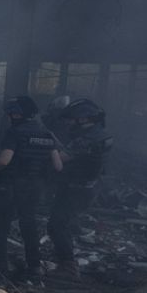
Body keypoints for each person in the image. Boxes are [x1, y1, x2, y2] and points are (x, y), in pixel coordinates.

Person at [0, 96, 63, 278]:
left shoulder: (15, 133)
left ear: (16, 114)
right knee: (29, 223)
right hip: (35, 187)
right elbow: (58, 166)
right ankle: (34, 266)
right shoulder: (47, 134)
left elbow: (4, 160)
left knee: (0, 225)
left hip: (12, 185)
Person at [47, 99, 112, 277]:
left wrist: (50, 146)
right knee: (66, 223)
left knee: (57, 225)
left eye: (73, 119)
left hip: (77, 188)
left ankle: (68, 266)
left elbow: (60, 161)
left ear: (84, 119)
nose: (70, 123)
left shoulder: (87, 139)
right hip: (85, 187)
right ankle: (63, 258)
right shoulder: (100, 134)